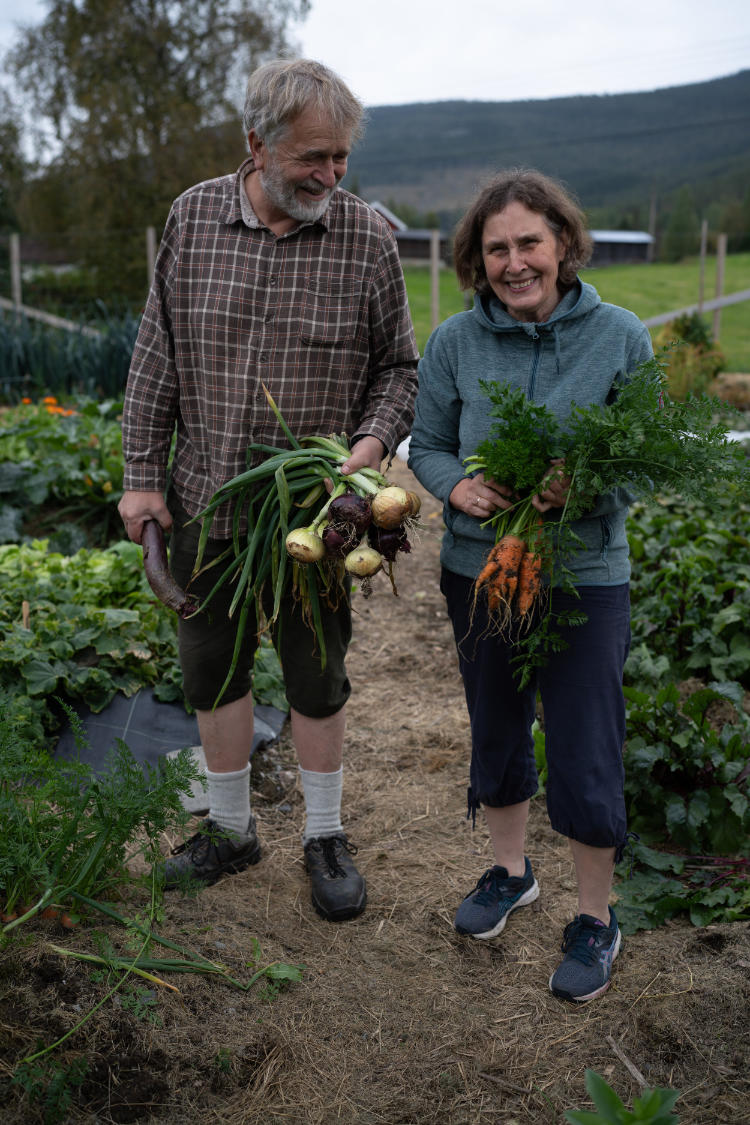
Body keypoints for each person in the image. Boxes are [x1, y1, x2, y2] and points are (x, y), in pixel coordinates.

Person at [118, 59, 419, 922]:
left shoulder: (365, 237)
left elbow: (401, 368)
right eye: (313, 158)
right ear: (257, 144)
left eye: (342, 160)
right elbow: (156, 357)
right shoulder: (193, 218)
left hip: (318, 515)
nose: (330, 176)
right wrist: (142, 477)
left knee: (317, 672)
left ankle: (323, 834)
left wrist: (366, 452)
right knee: (210, 666)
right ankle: (229, 827)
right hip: (208, 498)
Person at [408, 168, 653, 1001]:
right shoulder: (453, 342)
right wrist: (456, 487)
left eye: (529, 244)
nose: (514, 262)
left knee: (586, 741)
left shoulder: (619, 335)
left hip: (584, 575)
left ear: (564, 245)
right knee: (497, 723)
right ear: (478, 260)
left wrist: (578, 488)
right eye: (496, 248)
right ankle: (510, 871)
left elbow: (643, 461)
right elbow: (429, 442)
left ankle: (595, 916)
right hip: (481, 569)